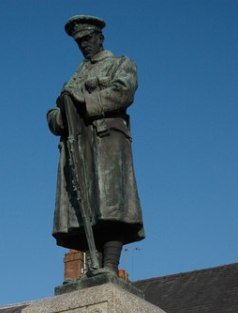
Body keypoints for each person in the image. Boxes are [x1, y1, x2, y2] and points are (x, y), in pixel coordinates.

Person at [47, 15, 145, 275]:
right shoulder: (75, 77)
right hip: (78, 148)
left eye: (88, 39)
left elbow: (123, 92)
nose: (84, 45)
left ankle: (110, 266)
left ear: (100, 37)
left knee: (110, 204)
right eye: (79, 42)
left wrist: (84, 104)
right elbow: (56, 111)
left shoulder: (120, 64)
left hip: (106, 142)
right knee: (85, 208)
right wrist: (58, 118)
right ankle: (93, 267)